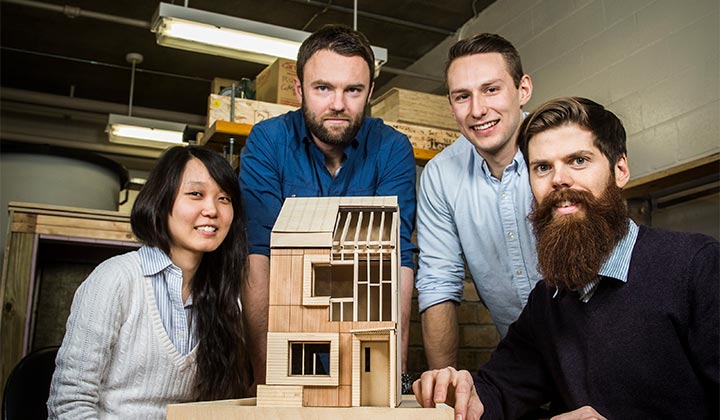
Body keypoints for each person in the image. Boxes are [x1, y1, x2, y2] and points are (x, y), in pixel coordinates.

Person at [413, 97, 719, 419]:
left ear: (620, 170)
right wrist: (463, 390)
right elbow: (498, 391)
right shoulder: (547, 301)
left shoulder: (697, 267)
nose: (558, 179)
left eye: (578, 161)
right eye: (542, 167)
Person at [239, 24, 417, 388]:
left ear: (369, 92)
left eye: (352, 90)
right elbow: (259, 255)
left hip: (362, 331)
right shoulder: (268, 142)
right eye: (323, 88)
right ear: (299, 89)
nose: (338, 104)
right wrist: (266, 378)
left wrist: (390, 379)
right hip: (285, 325)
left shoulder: (392, 148)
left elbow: (397, 257)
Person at [48, 146, 252, 418]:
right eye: (196, 194)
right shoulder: (116, 279)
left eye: (224, 198)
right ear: (162, 200)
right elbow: (69, 404)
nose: (212, 210)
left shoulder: (226, 296)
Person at [415, 33, 539, 369]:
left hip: (601, 346)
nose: (478, 110)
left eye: (491, 89)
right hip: (523, 363)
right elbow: (438, 281)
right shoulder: (441, 176)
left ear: (523, 90)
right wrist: (445, 388)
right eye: (462, 96)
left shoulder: (558, 151)